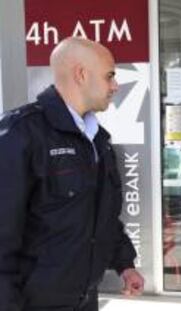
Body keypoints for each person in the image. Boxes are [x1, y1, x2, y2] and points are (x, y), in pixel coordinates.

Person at [0, 37, 144, 311]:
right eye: (110, 76)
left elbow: (104, 217)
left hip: (85, 300)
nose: (115, 85)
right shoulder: (21, 133)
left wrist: (125, 264)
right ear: (81, 74)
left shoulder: (98, 140)